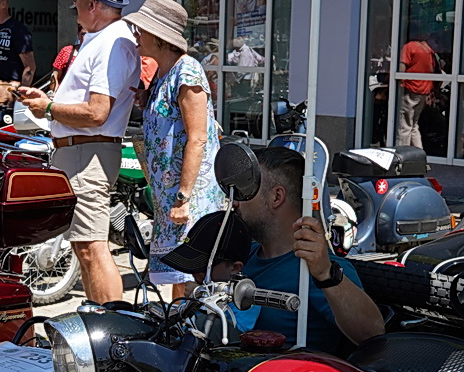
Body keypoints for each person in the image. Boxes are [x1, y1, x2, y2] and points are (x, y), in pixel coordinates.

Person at [163, 147, 383, 354]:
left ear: (277, 197)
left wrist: (327, 275)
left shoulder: (318, 268)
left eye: (246, 190)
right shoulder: (245, 254)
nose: (235, 202)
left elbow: (372, 334)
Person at [12, 0, 140, 305]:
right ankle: (100, 322)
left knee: (92, 244)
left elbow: (98, 112)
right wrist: (49, 102)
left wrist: (49, 109)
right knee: (85, 245)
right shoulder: (105, 40)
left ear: (92, 4)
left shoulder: (113, 42)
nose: (74, 5)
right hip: (81, 150)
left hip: (88, 152)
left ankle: (110, 326)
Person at [125, 0, 227, 299]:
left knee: (192, 278)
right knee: (177, 278)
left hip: (189, 197)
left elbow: (197, 138)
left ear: (158, 36)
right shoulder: (162, 74)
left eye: (141, 30)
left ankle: (193, 338)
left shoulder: (187, 72)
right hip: (171, 198)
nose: (137, 35)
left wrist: (183, 197)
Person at [397, 37, 437, 150]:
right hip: (423, 91)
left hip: (411, 90)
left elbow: (401, 68)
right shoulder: (427, 49)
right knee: (413, 125)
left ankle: (402, 156)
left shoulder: (409, 47)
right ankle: (420, 155)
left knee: (404, 126)